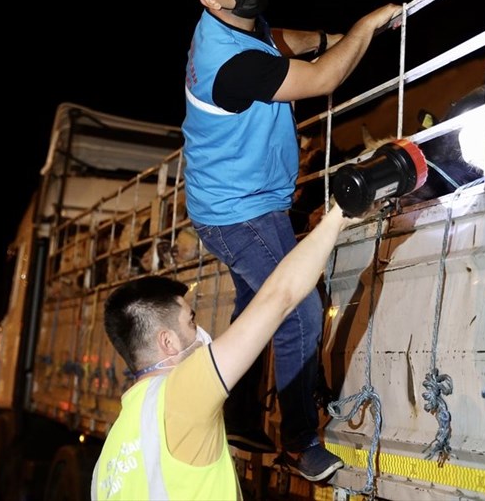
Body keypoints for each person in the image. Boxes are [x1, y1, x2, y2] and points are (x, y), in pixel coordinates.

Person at [181, 0, 401, 481]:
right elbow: (324, 78)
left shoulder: (235, 24)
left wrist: (326, 36)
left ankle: (235, 413)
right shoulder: (228, 64)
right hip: (238, 211)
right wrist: (364, 28)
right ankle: (300, 441)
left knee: (256, 306)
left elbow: (279, 39)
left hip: (243, 200)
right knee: (297, 306)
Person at [91, 203, 355, 500]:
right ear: (167, 342)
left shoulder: (111, 453)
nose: (200, 331)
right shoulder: (180, 396)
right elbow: (280, 297)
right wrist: (338, 216)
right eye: (191, 321)